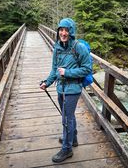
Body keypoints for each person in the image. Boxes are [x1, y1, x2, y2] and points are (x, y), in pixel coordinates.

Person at [40, 18, 92, 163]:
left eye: (66, 30)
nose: (63, 33)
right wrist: (47, 82)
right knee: (68, 115)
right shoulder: (57, 47)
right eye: (61, 30)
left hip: (73, 88)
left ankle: (67, 149)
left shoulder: (78, 47)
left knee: (66, 119)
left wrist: (67, 73)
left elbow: (87, 69)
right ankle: (72, 138)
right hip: (60, 88)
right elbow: (54, 69)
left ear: (71, 32)